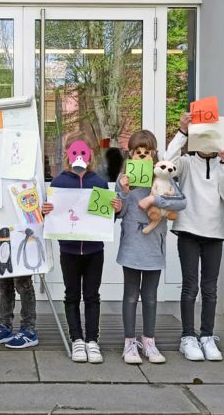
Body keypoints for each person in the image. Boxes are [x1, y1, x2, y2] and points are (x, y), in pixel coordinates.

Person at [164, 112, 224, 361]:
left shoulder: (223, 163)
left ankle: (207, 335)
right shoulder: (187, 162)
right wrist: (182, 132)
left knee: (210, 288)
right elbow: (166, 163)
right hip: (188, 230)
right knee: (190, 286)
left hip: (214, 233)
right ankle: (188, 336)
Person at [41, 138, 121, 363]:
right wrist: (46, 211)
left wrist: (115, 210)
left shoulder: (100, 182)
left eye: (83, 151)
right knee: (72, 294)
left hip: (95, 249)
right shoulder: (58, 182)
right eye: (74, 151)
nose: (78, 155)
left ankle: (92, 340)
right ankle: (77, 339)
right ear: (67, 153)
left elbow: (105, 221)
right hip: (69, 249)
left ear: (90, 154)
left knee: (92, 295)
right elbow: (52, 217)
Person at [116, 130, 187, 364]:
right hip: (132, 245)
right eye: (138, 153)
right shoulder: (124, 179)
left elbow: (181, 202)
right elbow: (120, 212)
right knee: (129, 295)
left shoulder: (163, 177)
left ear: (154, 154)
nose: (143, 157)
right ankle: (129, 343)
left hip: (154, 245)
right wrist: (125, 193)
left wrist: (156, 199)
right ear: (131, 155)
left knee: (150, 296)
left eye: (147, 153)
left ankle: (149, 341)